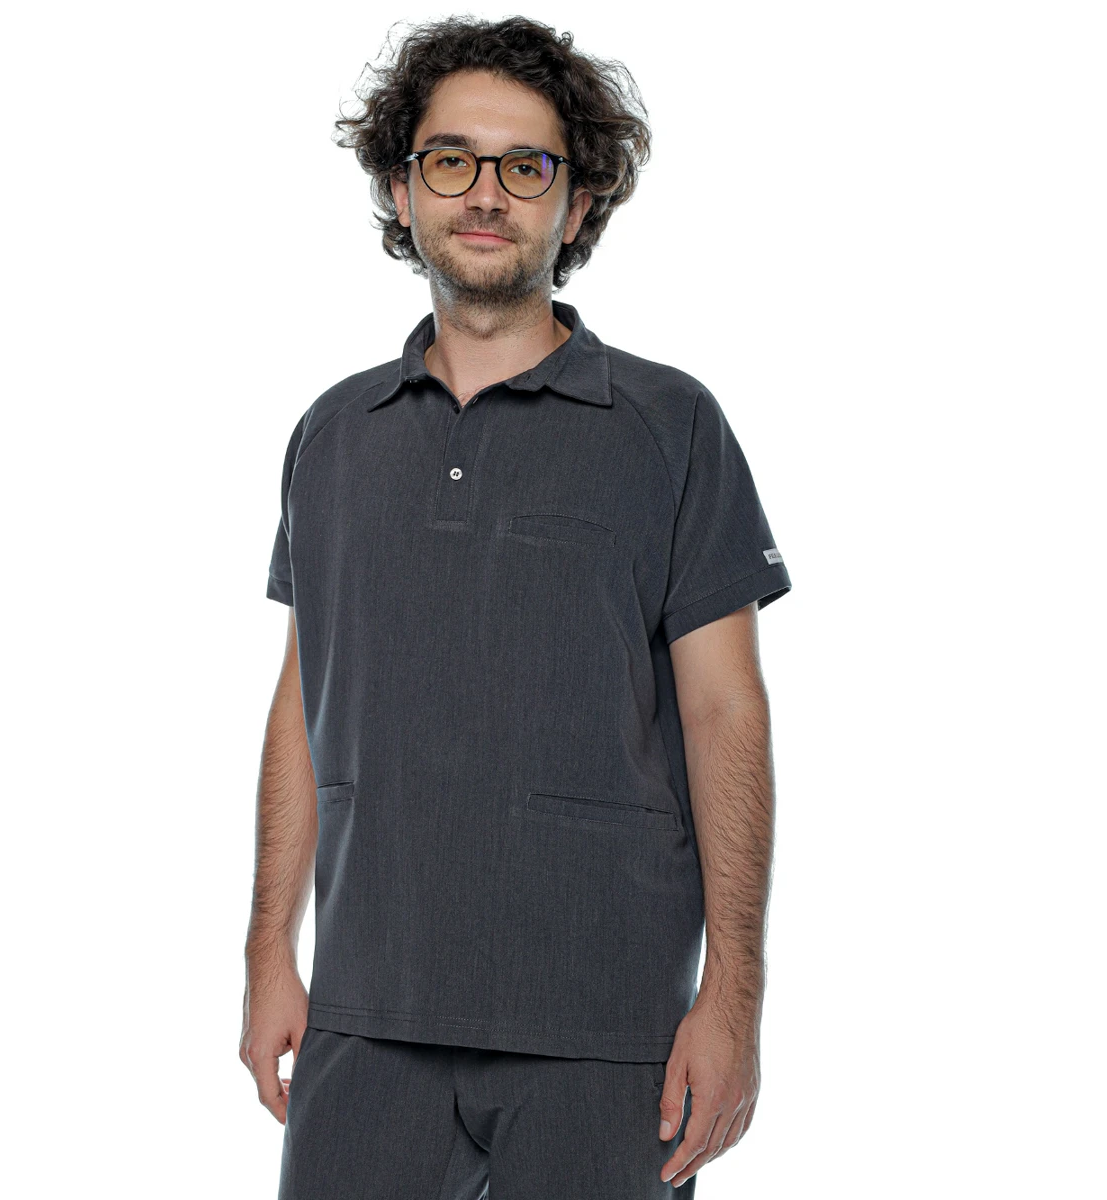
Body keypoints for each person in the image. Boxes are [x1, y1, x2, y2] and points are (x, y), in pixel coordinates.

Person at [239, 15, 792, 1198]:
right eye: (451, 160)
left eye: (526, 165)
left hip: (608, 1027)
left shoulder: (671, 427)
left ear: (577, 204)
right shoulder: (332, 436)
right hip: (368, 1013)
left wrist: (732, 998)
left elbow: (725, 713)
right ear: (401, 190)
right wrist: (266, 954)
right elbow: (301, 703)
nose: (485, 193)